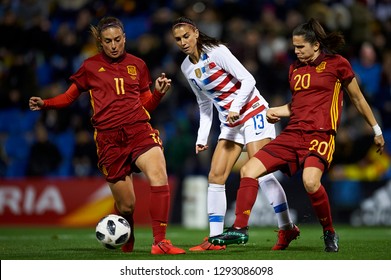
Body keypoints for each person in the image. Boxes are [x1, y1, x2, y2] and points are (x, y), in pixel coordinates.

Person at [209, 18, 386, 252]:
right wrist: (276, 111)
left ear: (315, 45)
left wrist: (376, 129)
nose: (296, 51)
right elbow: (297, 105)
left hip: (320, 135)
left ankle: (329, 232)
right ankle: (240, 228)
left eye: (300, 46)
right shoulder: (295, 69)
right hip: (293, 134)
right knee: (248, 170)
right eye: (294, 46)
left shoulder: (337, 64)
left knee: (311, 182)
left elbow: (357, 98)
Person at [29, 16, 185, 255]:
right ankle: (126, 231)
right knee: (127, 205)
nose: (114, 45)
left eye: (118, 40)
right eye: (108, 41)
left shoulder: (138, 65)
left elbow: (146, 105)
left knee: (158, 173)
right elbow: (70, 96)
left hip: (138, 129)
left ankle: (160, 242)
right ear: (100, 43)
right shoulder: (90, 66)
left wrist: (158, 94)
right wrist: (46, 103)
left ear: (124, 38)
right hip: (108, 139)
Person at [172, 16, 299, 251]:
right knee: (215, 176)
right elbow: (204, 103)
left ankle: (286, 228)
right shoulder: (186, 67)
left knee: (260, 173)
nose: (183, 42)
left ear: (196, 33)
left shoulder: (216, 51)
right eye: (178, 39)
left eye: (186, 36)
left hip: (252, 111)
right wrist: (202, 138)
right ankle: (215, 240)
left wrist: (234, 107)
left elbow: (248, 79)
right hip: (230, 123)